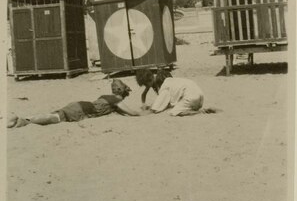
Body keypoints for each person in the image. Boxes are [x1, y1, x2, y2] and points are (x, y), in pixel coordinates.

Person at [7, 79, 141, 128]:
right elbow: (132, 113)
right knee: (56, 118)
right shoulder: (117, 101)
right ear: (121, 94)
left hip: (81, 105)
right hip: (81, 110)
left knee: (56, 115)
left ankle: (25, 118)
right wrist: (143, 113)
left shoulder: (106, 97)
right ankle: (25, 120)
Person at [151, 75, 219, 116]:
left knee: (174, 112)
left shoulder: (165, 86)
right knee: (181, 105)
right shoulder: (173, 81)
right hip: (200, 96)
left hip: (191, 97)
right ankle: (200, 109)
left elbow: (156, 108)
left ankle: (200, 112)